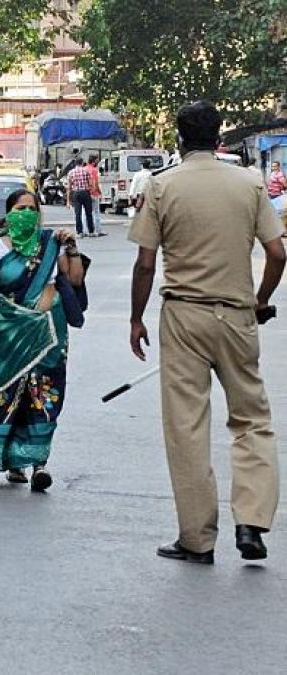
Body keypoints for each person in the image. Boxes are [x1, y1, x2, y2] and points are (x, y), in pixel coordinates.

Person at [130, 100, 286, 565]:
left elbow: (144, 262)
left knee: (186, 426)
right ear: (219, 137)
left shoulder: (162, 186)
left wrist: (136, 319)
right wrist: (259, 300)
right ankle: (252, 522)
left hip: (183, 315)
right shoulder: (250, 183)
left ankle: (197, 539)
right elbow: (277, 253)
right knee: (252, 418)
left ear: (179, 138)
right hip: (237, 314)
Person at [0, 190, 83, 490]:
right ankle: (13, 462)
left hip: (49, 332)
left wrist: (71, 249)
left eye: (32, 209)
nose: (27, 214)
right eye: (21, 209)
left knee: (45, 396)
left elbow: (73, 279)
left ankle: (39, 464)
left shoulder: (51, 244)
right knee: (12, 396)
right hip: (10, 333)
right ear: (9, 214)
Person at [67, 158, 95, 237]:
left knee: (78, 213)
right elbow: (91, 184)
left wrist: (68, 201)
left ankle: (79, 232)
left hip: (76, 193)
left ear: (75, 163)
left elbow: (69, 187)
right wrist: (91, 192)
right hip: (86, 193)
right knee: (88, 213)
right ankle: (91, 231)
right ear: (82, 163)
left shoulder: (71, 172)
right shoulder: (86, 171)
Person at [86, 154, 107, 236]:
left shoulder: (85, 169)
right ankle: (97, 230)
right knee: (96, 212)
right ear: (94, 160)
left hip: (86, 193)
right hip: (94, 193)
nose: (98, 161)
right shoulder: (94, 170)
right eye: (97, 160)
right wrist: (99, 191)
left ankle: (86, 230)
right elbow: (96, 182)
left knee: (86, 212)